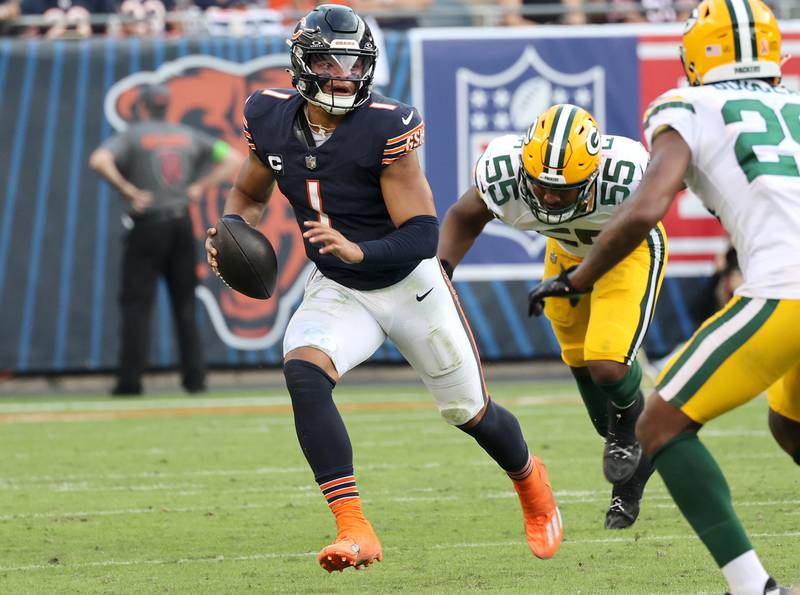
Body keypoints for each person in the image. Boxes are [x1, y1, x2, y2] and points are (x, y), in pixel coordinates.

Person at [205, 3, 561, 573]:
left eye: (353, 62)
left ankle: (530, 481)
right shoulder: (268, 116)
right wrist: (230, 232)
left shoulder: (385, 126)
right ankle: (354, 528)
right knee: (303, 371)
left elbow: (423, 235)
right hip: (341, 288)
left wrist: (358, 249)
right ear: (302, 62)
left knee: (470, 413)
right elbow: (248, 195)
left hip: (408, 286)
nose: (343, 74)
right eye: (329, 60)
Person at [527, 1, 799, 592]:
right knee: (791, 426)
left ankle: (754, 587)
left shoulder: (689, 105)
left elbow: (648, 207)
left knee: (658, 424)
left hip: (788, 293)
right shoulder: (795, 101)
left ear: (700, 51)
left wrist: (578, 277)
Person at [438, 104, 666, 529]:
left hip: (626, 253)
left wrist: (581, 278)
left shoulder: (628, 176)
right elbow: (464, 216)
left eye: (564, 190)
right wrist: (441, 275)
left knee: (607, 362)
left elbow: (650, 211)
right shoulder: (505, 173)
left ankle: (634, 433)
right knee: (579, 361)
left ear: (595, 176)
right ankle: (632, 459)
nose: (548, 197)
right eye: (541, 185)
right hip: (566, 256)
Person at [89, 84, 242, 396]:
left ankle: (130, 381)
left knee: (136, 306)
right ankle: (195, 379)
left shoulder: (134, 136)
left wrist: (127, 190)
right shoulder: (187, 135)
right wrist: (200, 186)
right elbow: (234, 159)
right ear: (165, 106)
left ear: (142, 107)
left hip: (147, 226)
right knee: (184, 304)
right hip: (180, 224)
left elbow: (99, 160)